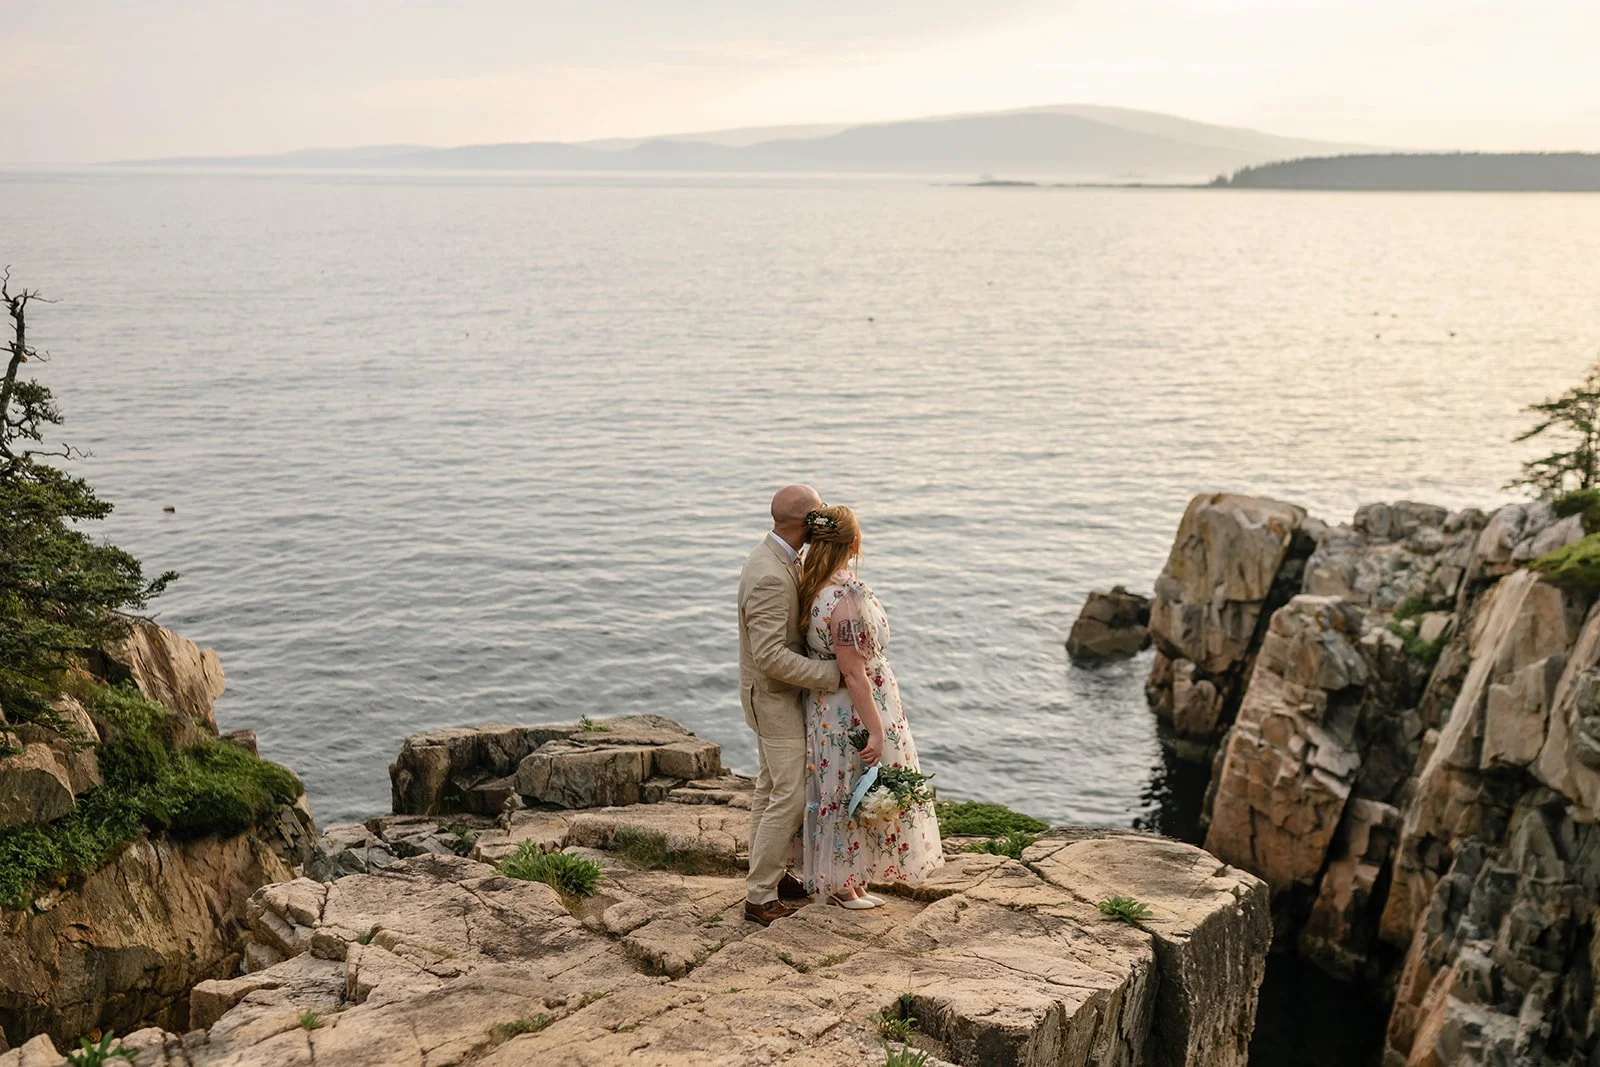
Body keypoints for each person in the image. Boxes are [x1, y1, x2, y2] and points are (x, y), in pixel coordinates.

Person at [796, 504, 942, 907]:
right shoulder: (844, 599)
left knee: (844, 785)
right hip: (852, 707)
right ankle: (841, 884)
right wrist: (876, 730)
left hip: (828, 706)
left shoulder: (814, 587)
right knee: (850, 786)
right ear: (854, 543)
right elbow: (853, 671)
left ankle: (850, 877)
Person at [737, 484, 842, 925]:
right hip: (774, 700)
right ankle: (759, 897)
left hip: (769, 698)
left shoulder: (779, 558)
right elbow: (770, 657)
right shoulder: (770, 574)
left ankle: (770, 877)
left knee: (769, 790)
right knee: (789, 797)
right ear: (806, 522)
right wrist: (832, 675)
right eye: (819, 513)